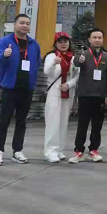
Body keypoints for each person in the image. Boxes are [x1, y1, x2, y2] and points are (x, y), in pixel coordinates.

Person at [0, 14, 41, 166]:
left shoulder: (34, 44)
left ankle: (17, 151)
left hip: (27, 88)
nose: (24, 26)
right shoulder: (5, 41)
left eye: (27, 23)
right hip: (10, 87)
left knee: (21, 121)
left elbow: (37, 62)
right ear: (15, 24)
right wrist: (4, 55)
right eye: (21, 23)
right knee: (4, 120)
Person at [68, 28, 107, 164]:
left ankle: (94, 150)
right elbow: (76, 62)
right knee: (82, 125)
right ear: (89, 39)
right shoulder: (83, 55)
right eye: (94, 37)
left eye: (99, 37)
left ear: (103, 39)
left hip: (100, 96)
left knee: (97, 125)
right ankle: (79, 151)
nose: (97, 40)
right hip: (85, 95)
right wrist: (79, 60)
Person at [43, 32, 80, 163]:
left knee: (63, 123)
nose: (63, 44)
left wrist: (69, 84)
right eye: (60, 42)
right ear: (55, 44)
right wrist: (53, 63)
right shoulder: (52, 56)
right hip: (54, 93)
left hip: (68, 93)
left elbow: (77, 75)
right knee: (53, 122)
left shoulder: (73, 58)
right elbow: (47, 72)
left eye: (65, 41)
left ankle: (59, 149)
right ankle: (50, 151)